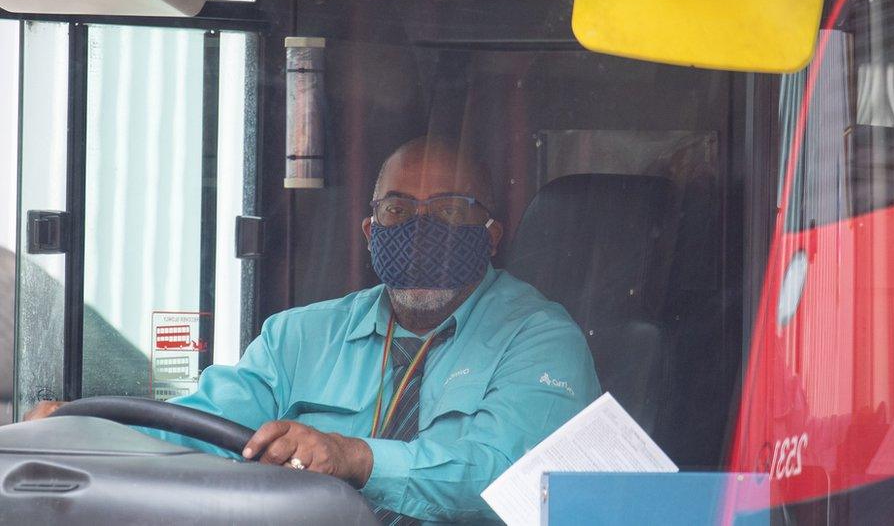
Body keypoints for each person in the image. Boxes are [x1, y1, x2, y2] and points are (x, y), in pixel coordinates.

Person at [27, 136, 600, 523]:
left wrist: (356, 459)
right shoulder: (298, 337)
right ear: (371, 230)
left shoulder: (541, 340)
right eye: (399, 211)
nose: (422, 229)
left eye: (450, 210)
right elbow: (197, 427)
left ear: (492, 235)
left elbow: (507, 481)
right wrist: (85, 429)